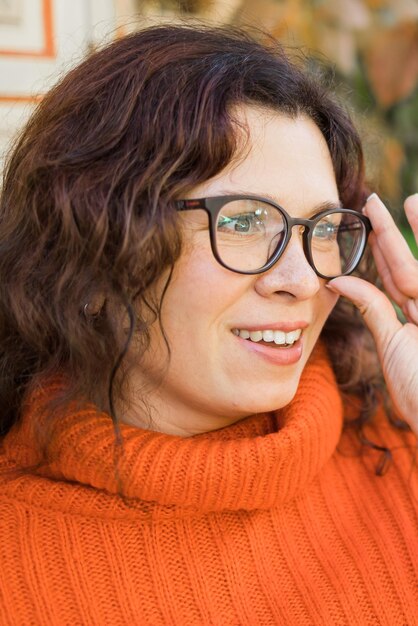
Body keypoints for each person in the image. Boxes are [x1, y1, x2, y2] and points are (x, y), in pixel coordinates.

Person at [0, 23, 417, 626]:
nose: (300, 280)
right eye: (245, 223)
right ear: (92, 253)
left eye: (323, 230)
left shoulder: (396, 439)